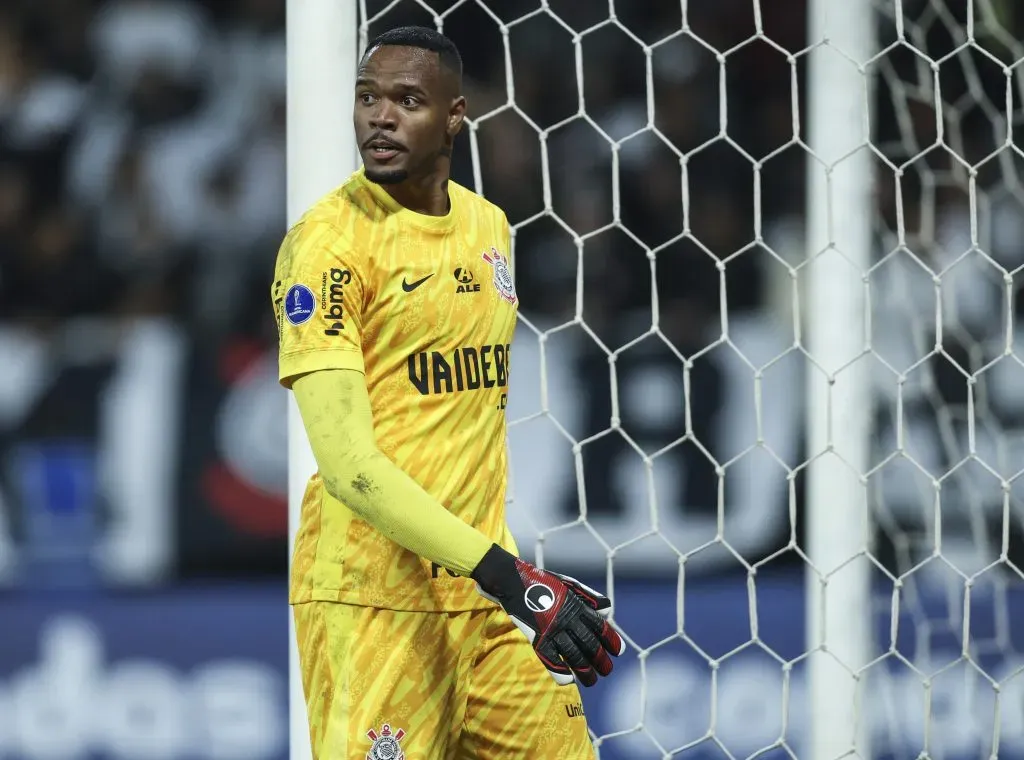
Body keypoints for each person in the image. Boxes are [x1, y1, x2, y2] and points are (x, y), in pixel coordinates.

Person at [270, 25, 624, 760]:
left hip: (486, 598)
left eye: (407, 99)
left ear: (455, 116)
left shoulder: (489, 228)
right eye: (368, 98)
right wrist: (515, 581)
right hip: (375, 603)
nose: (380, 117)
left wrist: (500, 577)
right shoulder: (328, 248)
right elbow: (348, 466)